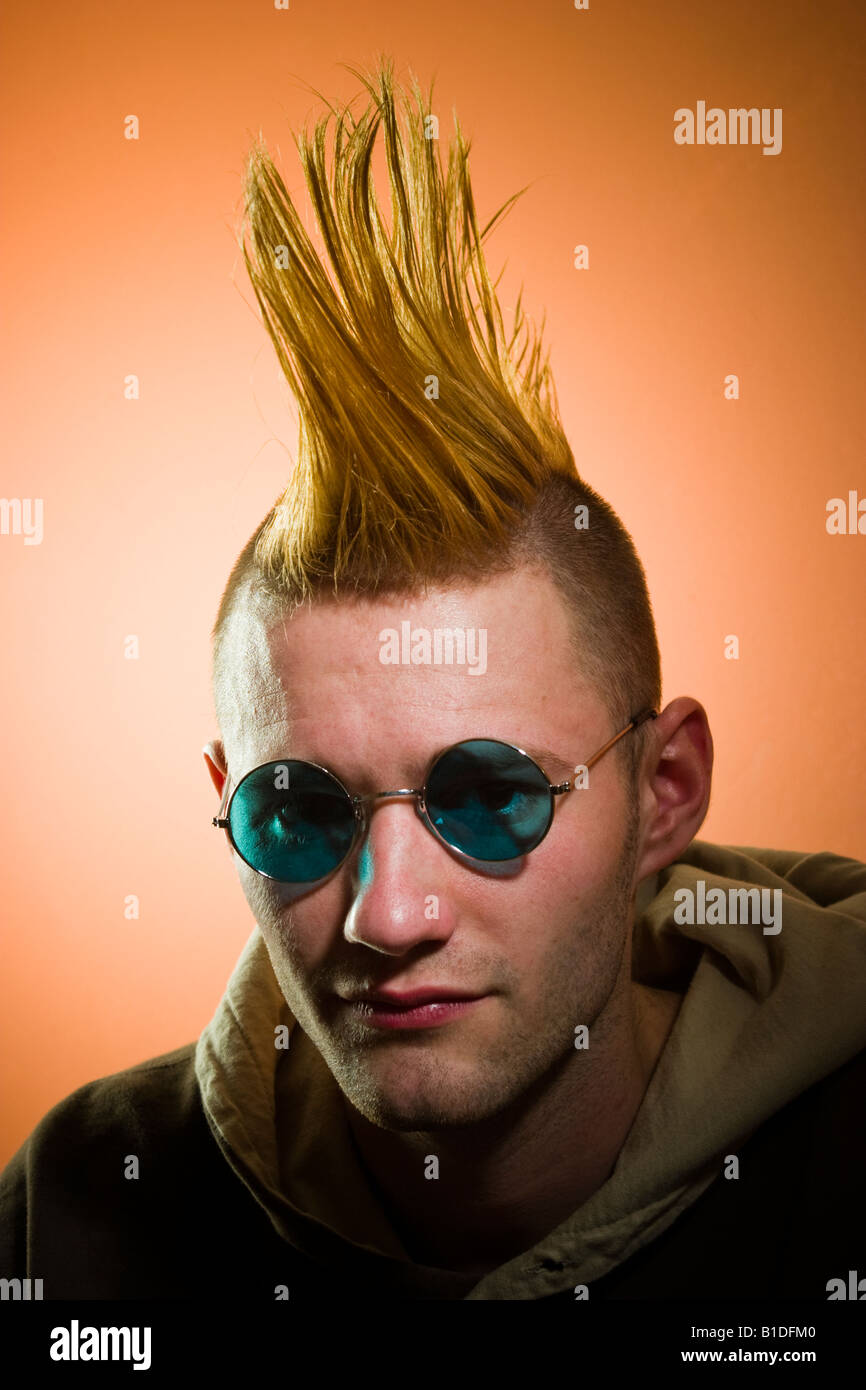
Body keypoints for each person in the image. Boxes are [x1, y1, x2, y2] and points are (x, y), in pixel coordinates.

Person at [1, 58, 864, 1303]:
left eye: (488, 795)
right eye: (298, 811)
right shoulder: (72, 1219)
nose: (387, 918)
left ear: (662, 790)